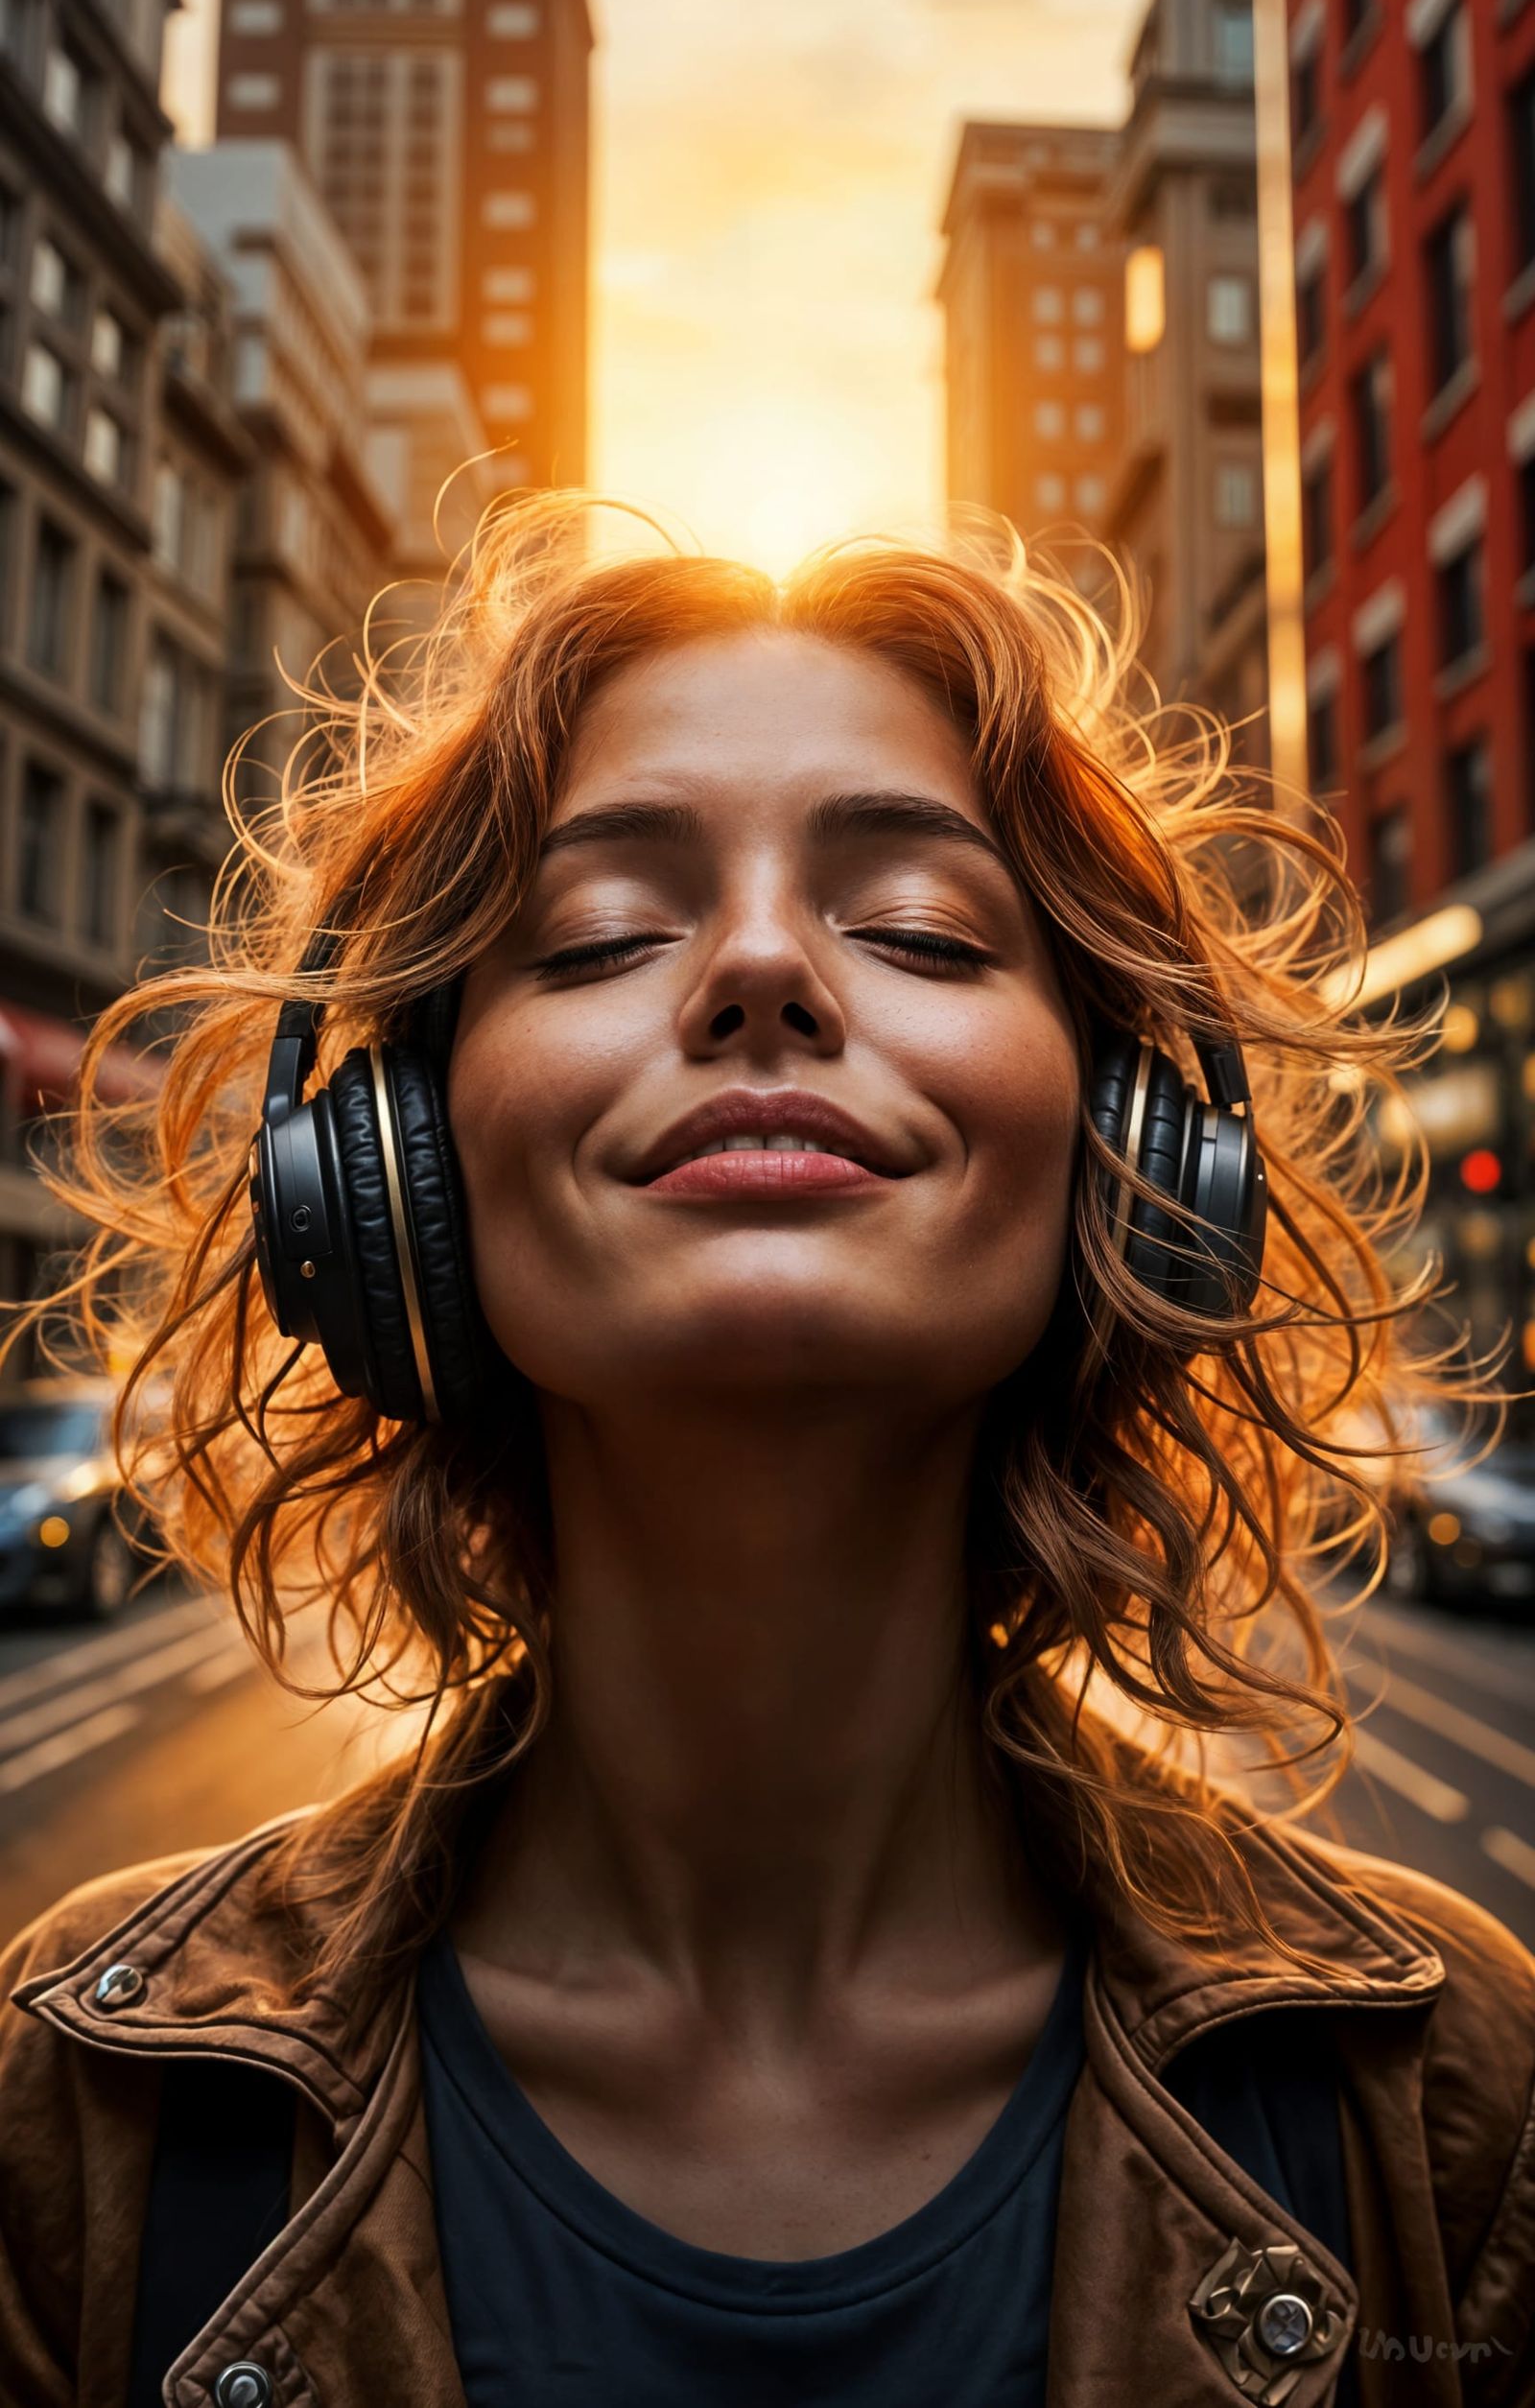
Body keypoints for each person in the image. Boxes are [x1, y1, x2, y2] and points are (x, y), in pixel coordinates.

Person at [0, 513, 1530, 2408]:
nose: (756, 968)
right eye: (597, 936)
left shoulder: (1450, 2098)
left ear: (1134, 1153)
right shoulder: (82, 2110)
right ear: (387, 1173)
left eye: (921, 930)